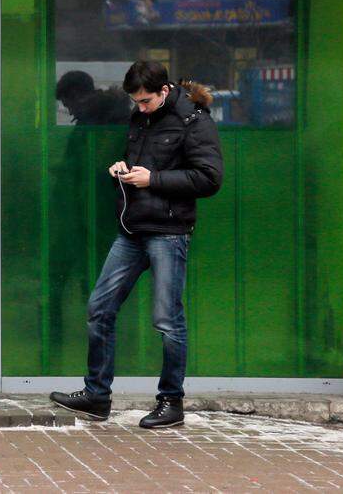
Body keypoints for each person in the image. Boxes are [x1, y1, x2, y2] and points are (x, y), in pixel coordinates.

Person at [50, 60, 223, 429]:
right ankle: (96, 395)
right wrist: (122, 170)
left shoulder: (194, 120)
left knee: (167, 320)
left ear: (164, 91)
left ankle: (171, 402)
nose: (140, 107)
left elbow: (209, 178)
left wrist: (153, 179)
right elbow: (140, 164)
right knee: (99, 308)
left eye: (146, 100)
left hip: (169, 231)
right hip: (132, 228)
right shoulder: (140, 118)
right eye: (136, 101)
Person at [55, 70, 133, 125]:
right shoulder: (118, 113)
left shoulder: (90, 121)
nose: (70, 113)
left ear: (77, 96)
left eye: (69, 106)